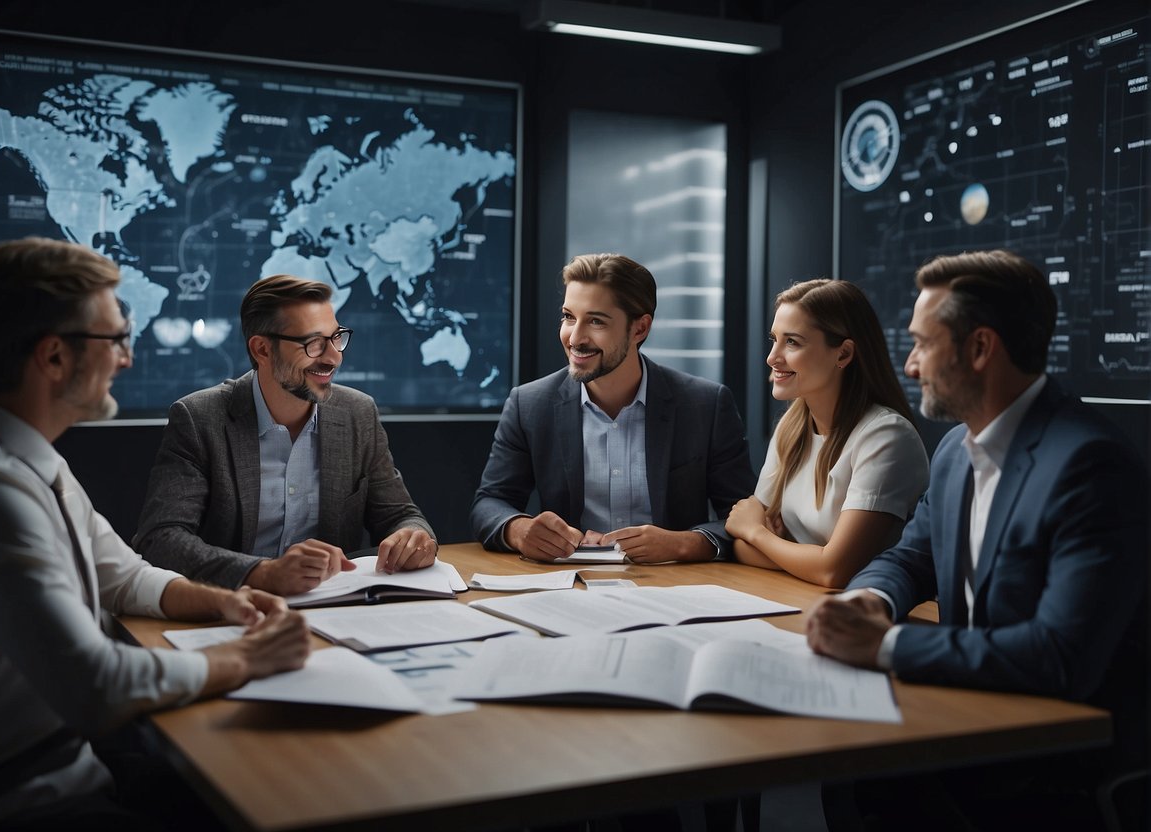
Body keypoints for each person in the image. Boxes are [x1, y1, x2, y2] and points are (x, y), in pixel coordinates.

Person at [0, 237, 312, 830]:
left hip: (71, 766)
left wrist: (227, 603)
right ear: (54, 357)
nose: (127, 358)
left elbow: (125, 575)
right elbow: (99, 684)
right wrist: (246, 658)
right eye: (114, 339)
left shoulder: (31, 463)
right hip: (19, 801)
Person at [806, 250, 1148, 827]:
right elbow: (911, 557)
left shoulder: (1090, 466)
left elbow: (1060, 657)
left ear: (981, 348)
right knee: (848, 777)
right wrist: (870, 600)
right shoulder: (955, 452)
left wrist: (882, 646)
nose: (909, 366)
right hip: (969, 719)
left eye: (922, 343)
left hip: (1052, 769)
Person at [134, 274, 436, 596]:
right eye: (314, 343)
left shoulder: (357, 414)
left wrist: (413, 536)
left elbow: (400, 514)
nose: (334, 357)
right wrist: (263, 573)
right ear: (262, 349)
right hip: (234, 609)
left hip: (334, 608)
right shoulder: (199, 419)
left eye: (337, 338)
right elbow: (161, 538)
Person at [470, 253, 754, 563]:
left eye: (595, 321)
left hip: (674, 584)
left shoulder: (705, 405)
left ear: (639, 329)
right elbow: (490, 502)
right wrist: (519, 529)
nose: (575, 338)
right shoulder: (529, 404)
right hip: (570, 585)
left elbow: (744, 516)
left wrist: (684, 544)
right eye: (568, 317)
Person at [725, 279, 928, 588]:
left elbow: (834, 571)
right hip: (798, 599)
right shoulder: (791, 428)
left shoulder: (886, 437)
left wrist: (757, 533)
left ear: (843, 354)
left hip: (860, 615)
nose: (772, 357)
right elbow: (739, 547)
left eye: (792, 342)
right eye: (774, 339)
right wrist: (800, 556)